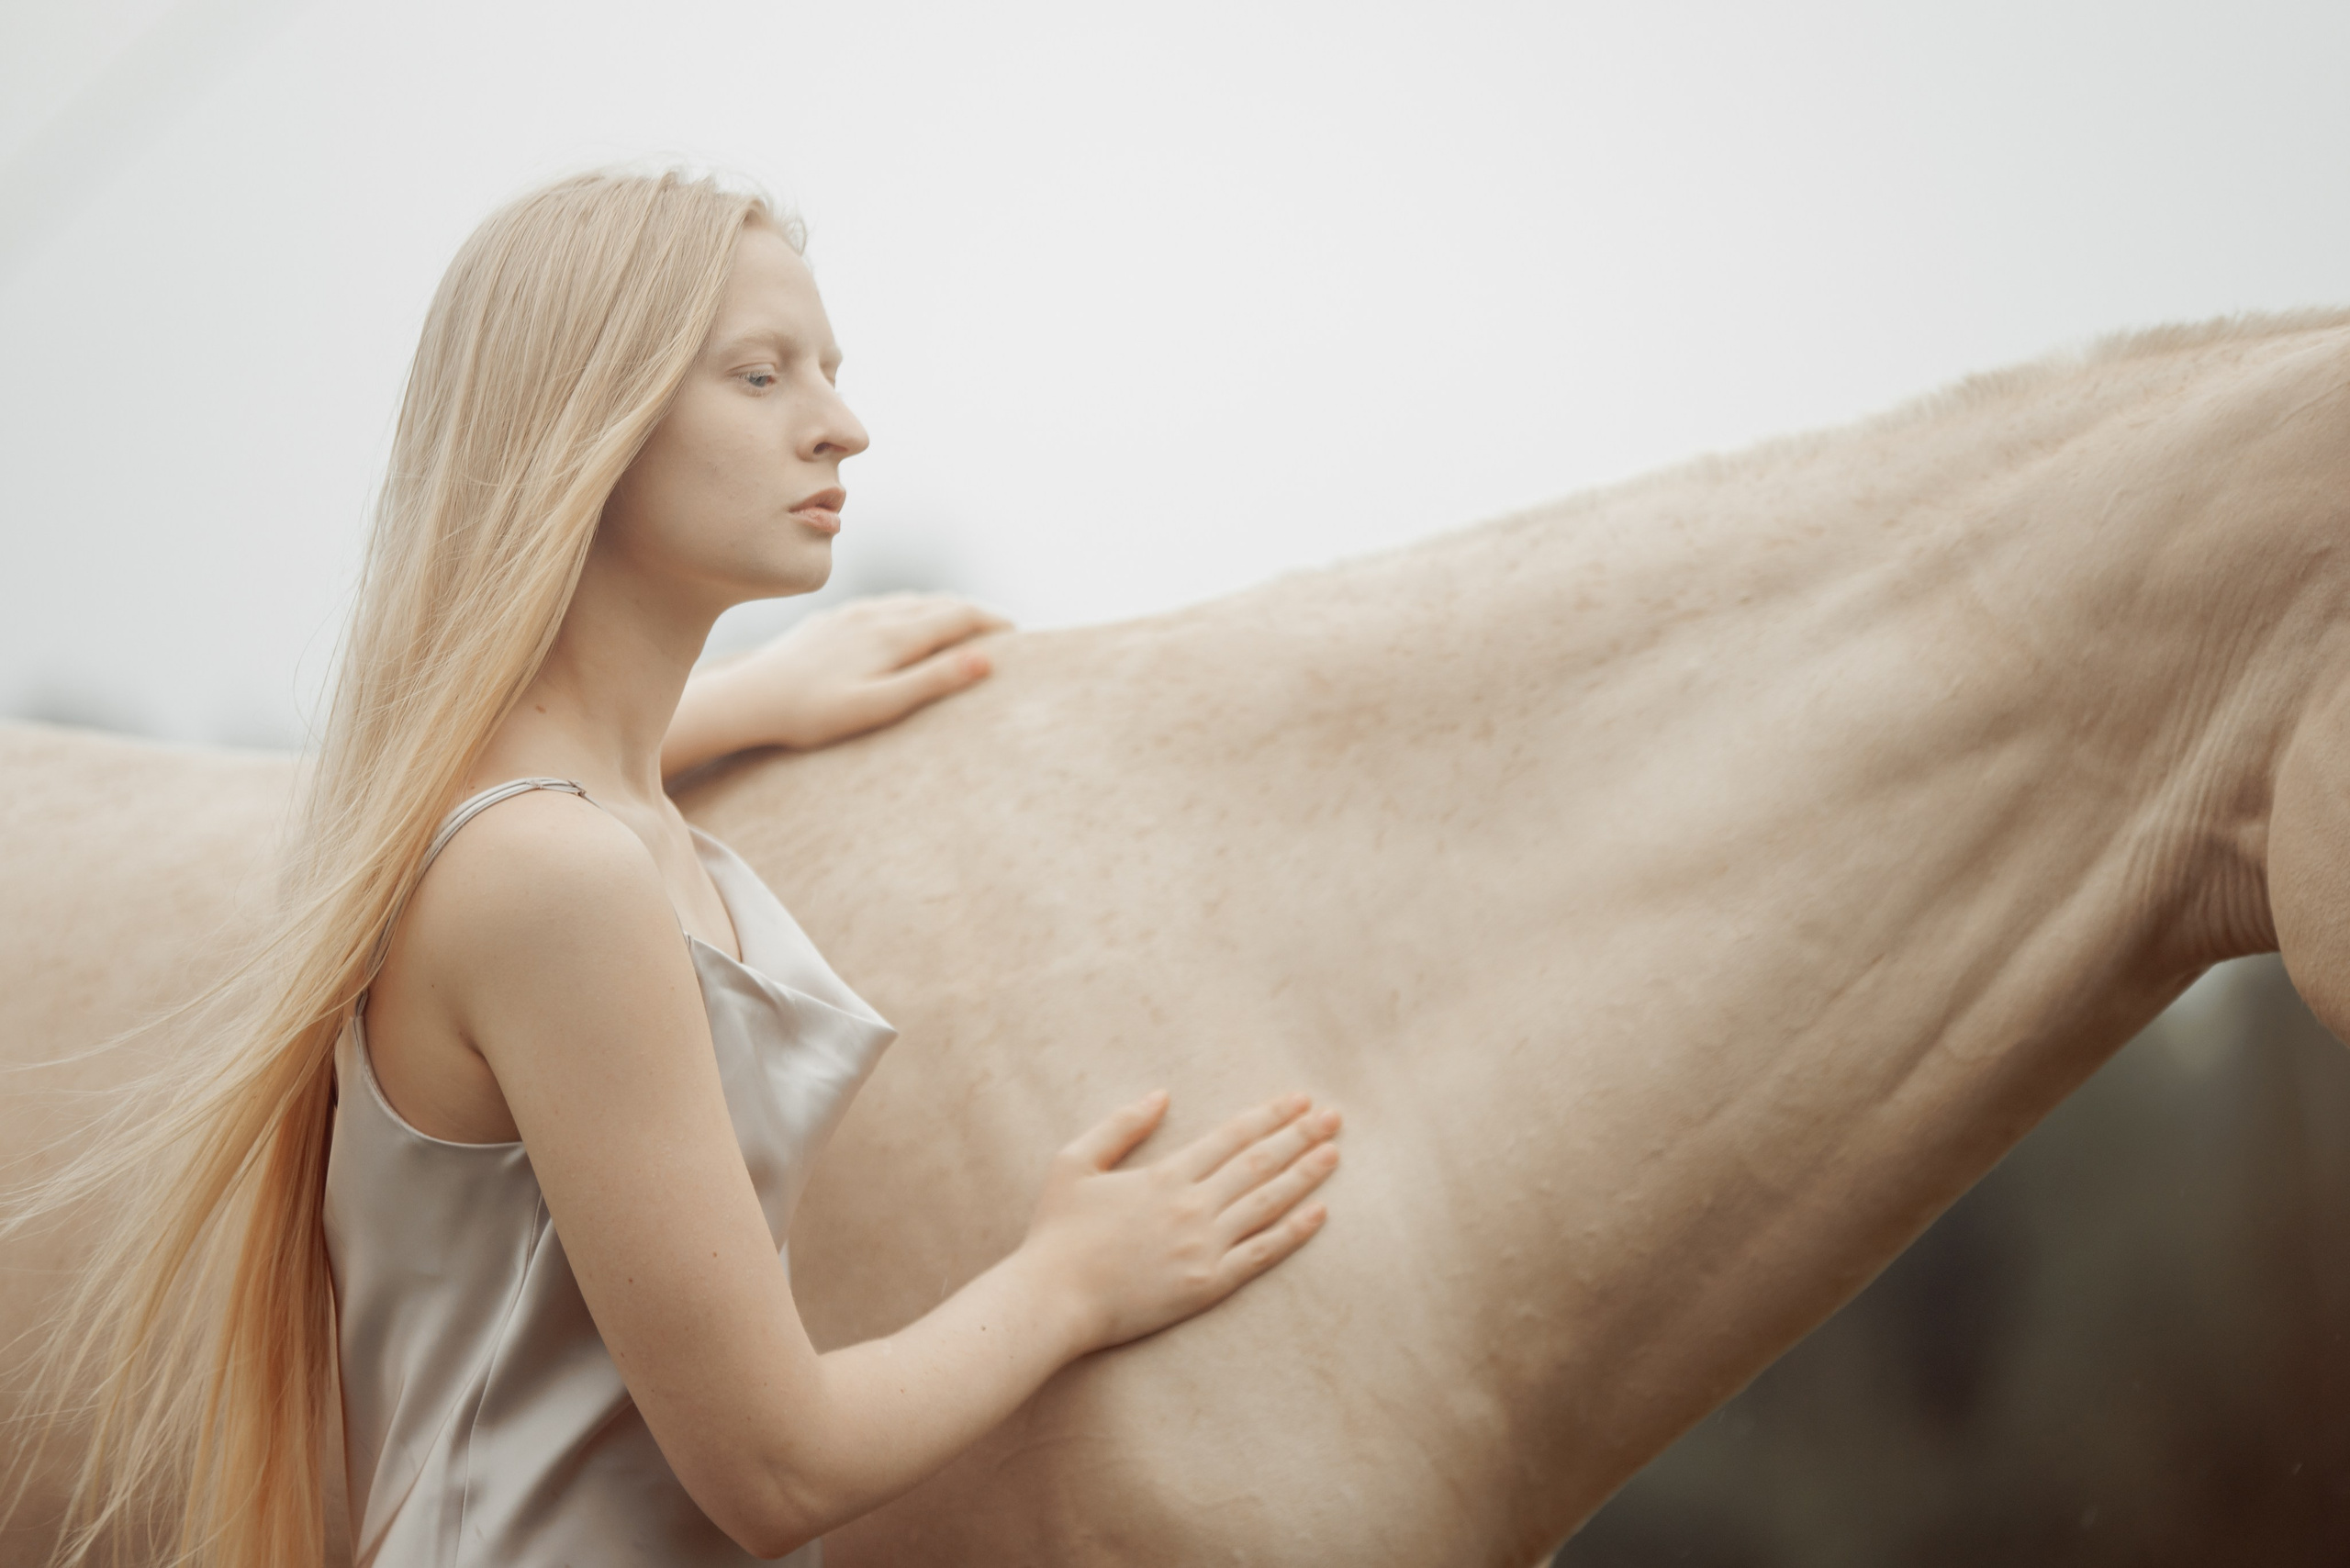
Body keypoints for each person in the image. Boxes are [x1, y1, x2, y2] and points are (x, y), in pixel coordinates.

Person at [21, 168, 1340, 1568]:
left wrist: (751, 701)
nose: (842, 426)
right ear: (586, 422)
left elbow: (451, 781)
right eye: (761, 376)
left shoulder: (538, 824)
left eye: (829, 372)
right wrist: (1073, 1278)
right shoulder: (557, 880)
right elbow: (781, 1468)